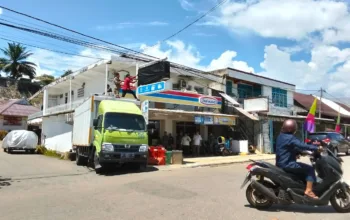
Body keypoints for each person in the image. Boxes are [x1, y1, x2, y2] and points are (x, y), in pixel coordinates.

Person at [276, 119, 323, 199]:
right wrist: (316, 148)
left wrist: (299, 153)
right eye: (295, 128)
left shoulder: (281, 136)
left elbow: (287, 148)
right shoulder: (290, 138)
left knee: (303, 171)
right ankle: (308, 191)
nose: (295, 129)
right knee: (310, 169)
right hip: (288, 164)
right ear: (291, 129)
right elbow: (302, 145)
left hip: (281, 163)